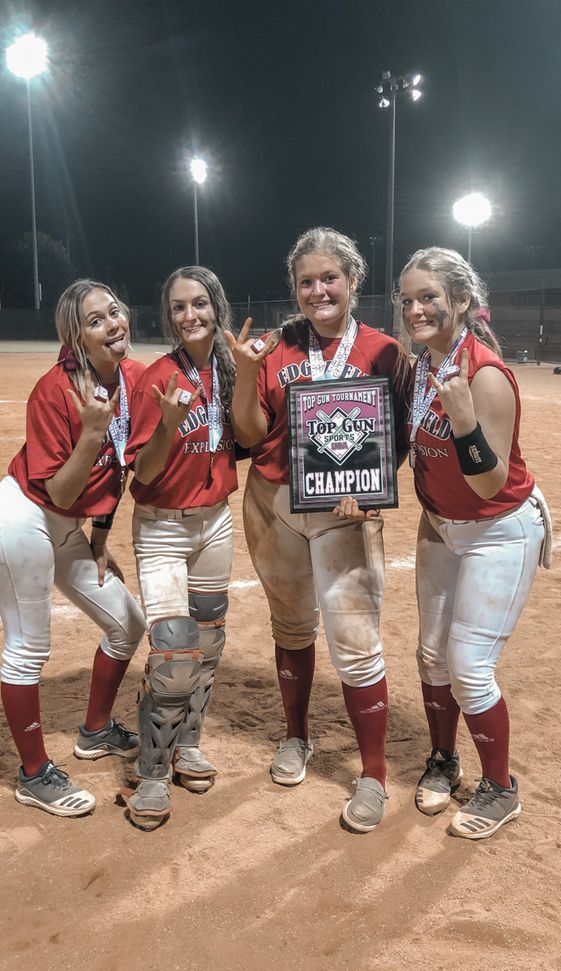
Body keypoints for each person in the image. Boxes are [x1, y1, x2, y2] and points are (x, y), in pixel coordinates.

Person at [226, 227, 409, 834]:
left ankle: (374, 774)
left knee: (356, 642)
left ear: (353, 281)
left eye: (329, 278)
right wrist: (247, 375)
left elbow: (398, 434)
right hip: (273, 499)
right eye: (306, 281)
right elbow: (250, 436)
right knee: (291, 623)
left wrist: (375, 488)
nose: (318, 290)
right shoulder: (276, 346)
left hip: (343, 514)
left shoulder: (384, 350)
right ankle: (297, 736)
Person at [397, 246, 549, 839]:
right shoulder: (424, 364)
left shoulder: (485, 374)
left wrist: (462, 419)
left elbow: (488, 482)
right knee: (431, 655)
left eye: (429, 297)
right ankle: (442, 758)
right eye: (407, 299)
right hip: (440, 526)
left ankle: (501, 788)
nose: (416, 308)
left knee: (469, 667)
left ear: (462, 300)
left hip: (498, 530)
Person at [0, 279, 147, 817]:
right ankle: (33, 775)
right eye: (94, 321)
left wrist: (99, 539)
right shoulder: (55, 391)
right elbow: (61, 489)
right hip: (22, 519)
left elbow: (117, 473)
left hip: (70, 528)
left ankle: (95, 731)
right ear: (76, 339)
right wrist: (92, 435)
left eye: (114, 312)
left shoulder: (131, 378)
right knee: (28, 647)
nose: (112, 325)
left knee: (127, 624)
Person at [123, 266, 240, 830]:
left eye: (199, 304)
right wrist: (168, 425)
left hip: (215, 521)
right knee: (172, 654)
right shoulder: (158, 377)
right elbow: (141, 474)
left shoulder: (229, 369)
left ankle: (187, 743)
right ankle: (150, 773)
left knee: (209, 642)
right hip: (162, 528)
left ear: (216, 305)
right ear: (168, 316)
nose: (190, 315)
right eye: (177, 307)